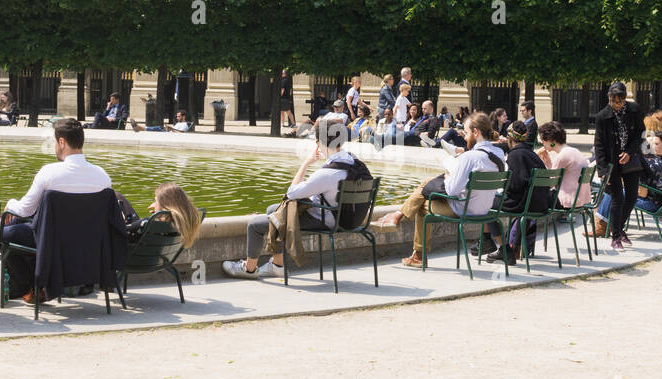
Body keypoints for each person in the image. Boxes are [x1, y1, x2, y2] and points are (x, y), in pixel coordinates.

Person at [224, 117, 371, 279]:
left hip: (326, 219)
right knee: (273, 210)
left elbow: (291, 193)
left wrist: (306, 163)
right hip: (347, 218)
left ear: (320, 142)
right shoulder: (353, 161)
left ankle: (249, 268)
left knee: (254, 225)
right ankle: (277, 265)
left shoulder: (327, 174)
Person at [0, 118, 112, 302]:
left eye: (55, 142)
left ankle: (30, 287)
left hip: (52, 244)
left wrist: (10, 203)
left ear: (62, 142)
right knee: (23, 224)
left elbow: (24, 209)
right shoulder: (103, 177)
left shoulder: (49, 173)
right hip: (88, 246)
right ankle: (39, 287)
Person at [371, 112, 506, 268]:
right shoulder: (498, 153)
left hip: (463, 208)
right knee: (427, 183)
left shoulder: (470, 157)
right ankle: (398, 217)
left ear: (476, 132)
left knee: (422, 207)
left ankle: (417, 252)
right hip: (484, 209)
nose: (465, 137)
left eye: (467, 133)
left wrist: (449, 173)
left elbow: (452, 190)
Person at [480, 119, 547, 263]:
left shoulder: (515, 155)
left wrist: (503, 189)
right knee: (492, 201)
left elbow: (515, 186)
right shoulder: (533, 155)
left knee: (485, 203)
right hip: (539, 204)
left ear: (510, 139)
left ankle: (497, 246)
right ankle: (491, 243)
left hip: (522, 204)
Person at [595, 132, 662, 236]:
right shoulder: (656, 159)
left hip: (654, 204)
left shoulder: (642, 164)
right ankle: (605, 224)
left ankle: (602, 226)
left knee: (615, 192)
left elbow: (643, 193)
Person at [593, 82, 645, 251]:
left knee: (631, 197)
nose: (616, 105)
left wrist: (629, 152)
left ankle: (619, 228)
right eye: (613, 101)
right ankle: (615, 237)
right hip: (611, 163)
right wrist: (602, 170)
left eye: (620, 101)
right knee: (617, 198)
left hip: (630, 160)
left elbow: (639, 134)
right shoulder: (602, 116)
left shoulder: (634, 110)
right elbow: (599, 143)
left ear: (625, 99)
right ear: (609, 98)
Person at [129, 182, 202, 249]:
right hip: (156, 259)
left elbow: (122, 232)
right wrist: (160, 213)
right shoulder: (179, 226)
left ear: (164, 206)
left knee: (118, 197)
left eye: (155, 201)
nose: (154, 203)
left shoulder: (147, 223)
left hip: (130, 259)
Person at [538, 121, 589, 212]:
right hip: (580, 199)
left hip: (568, 201)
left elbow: (551, 183)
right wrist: (549, 163)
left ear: (551, 141)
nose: (543, 144)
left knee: (533, 198)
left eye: (543, 141)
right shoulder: (574, 151)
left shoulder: (562, 156)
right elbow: (558, 176)